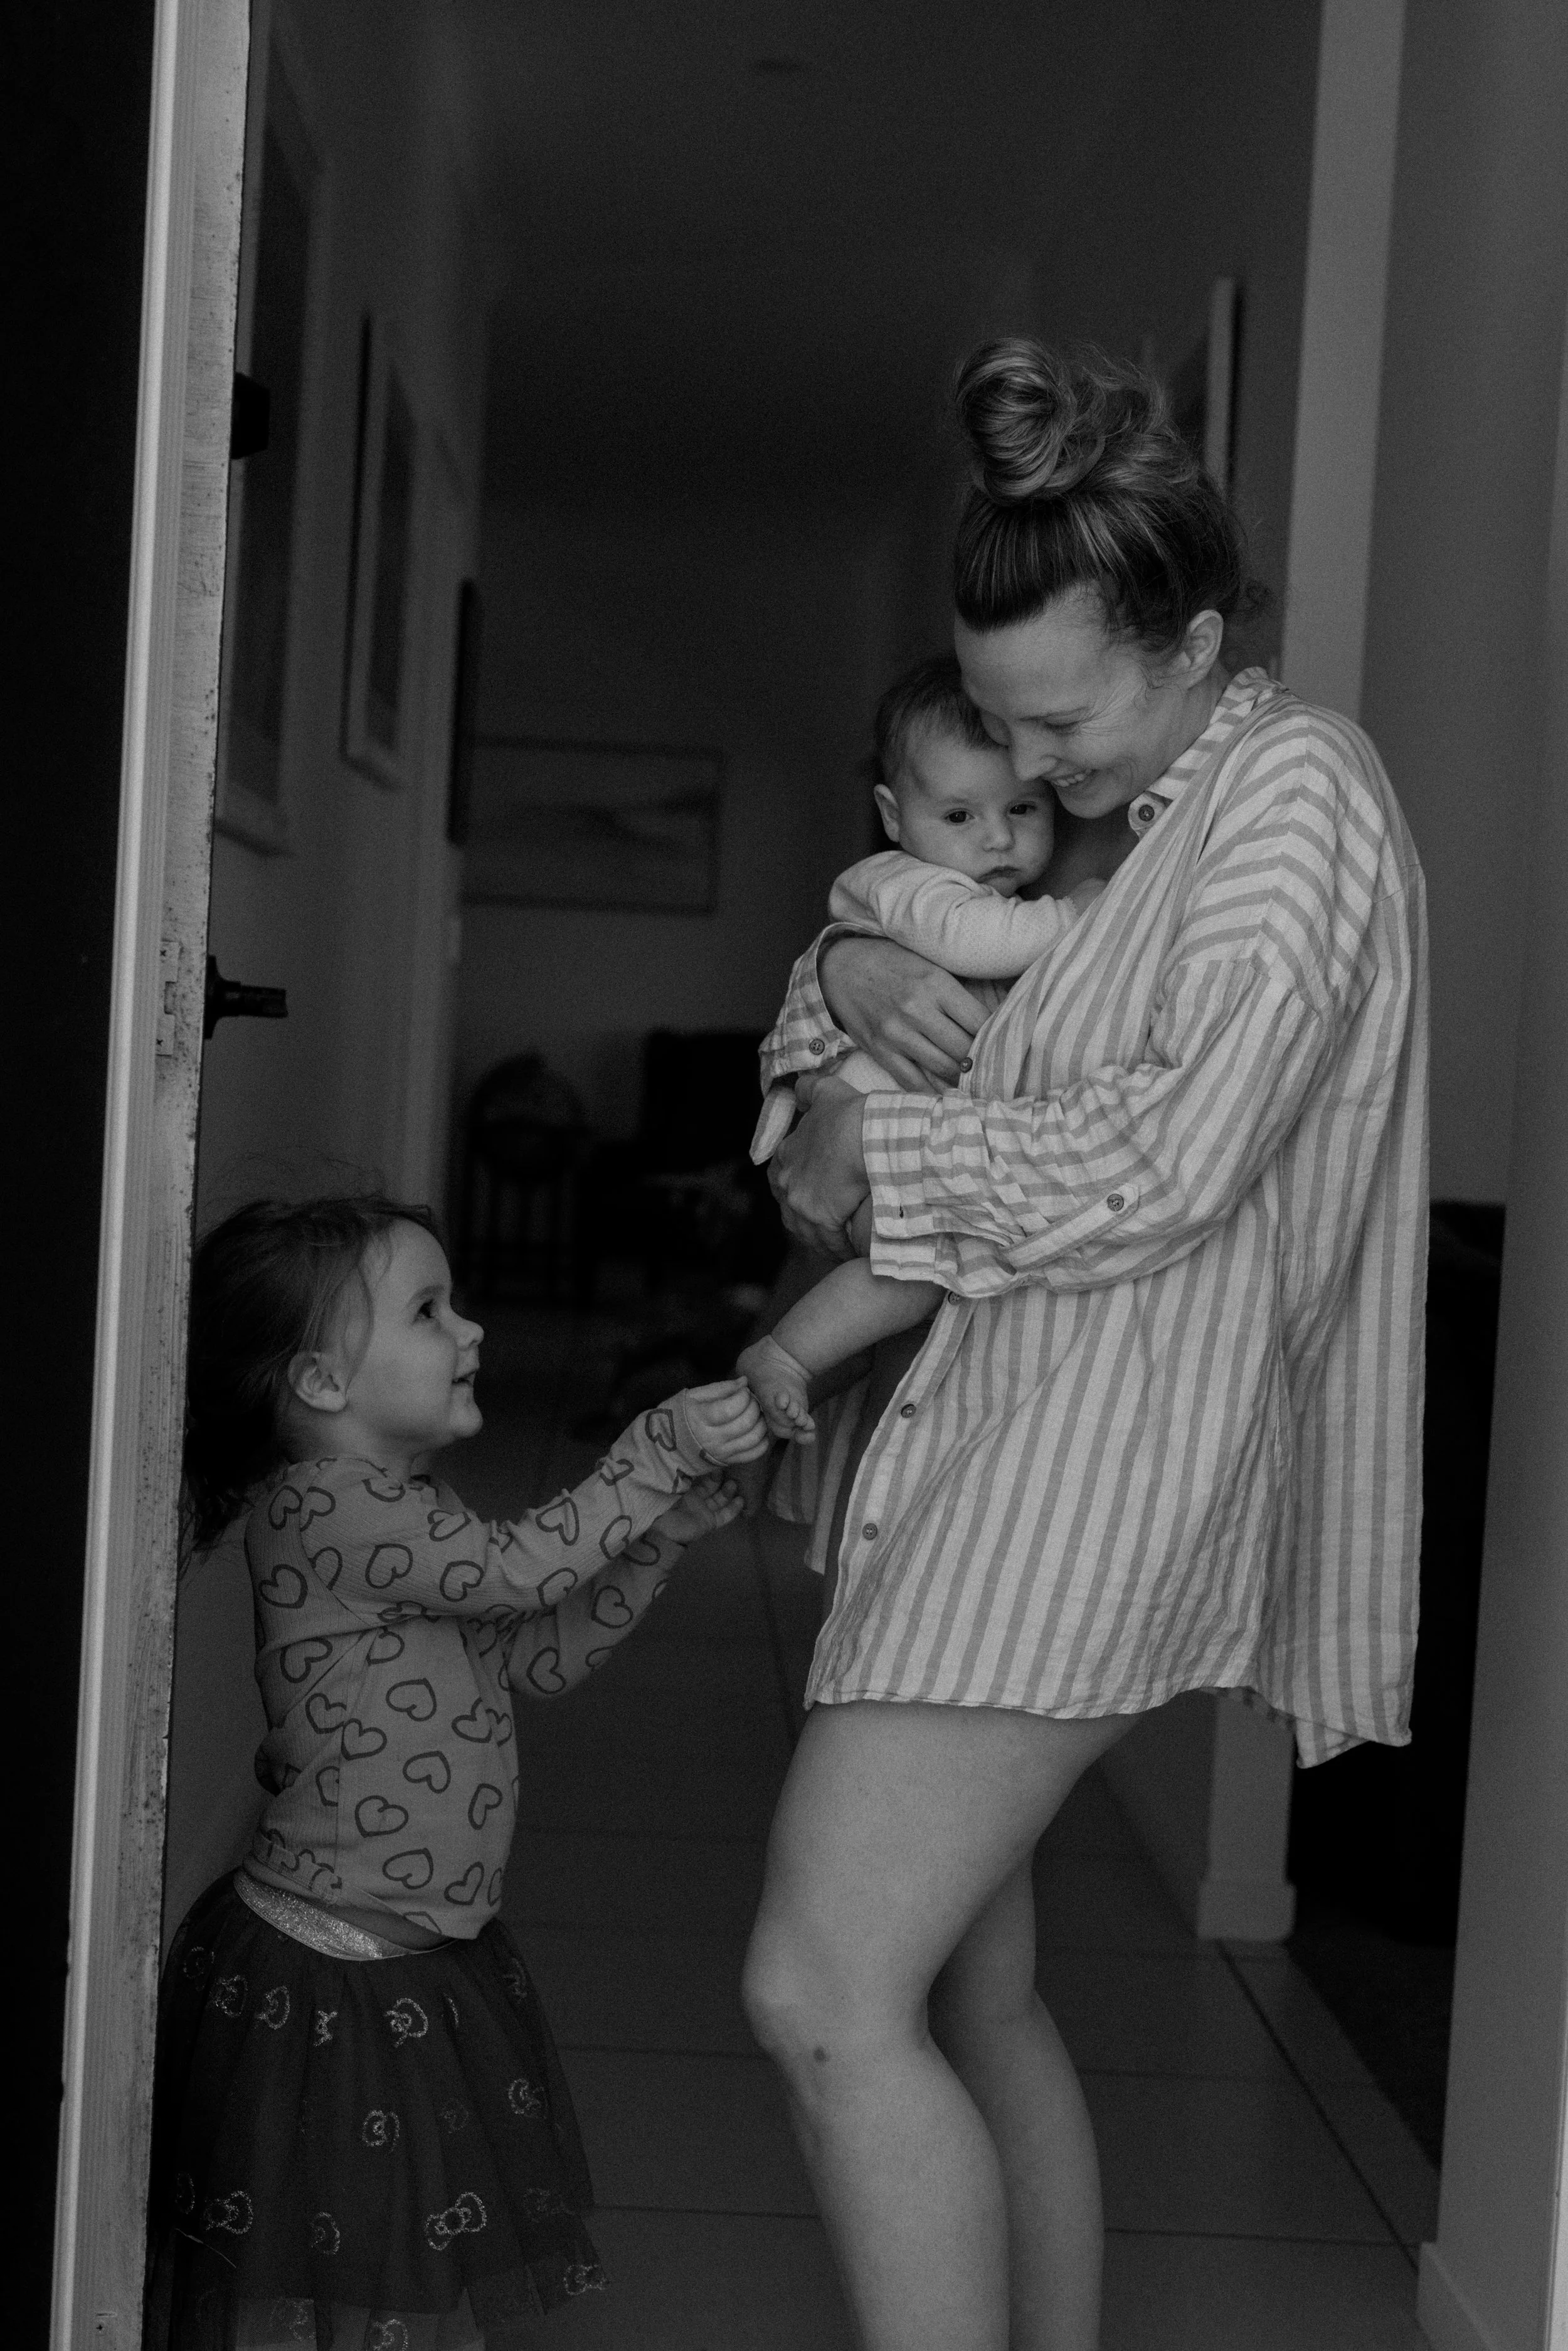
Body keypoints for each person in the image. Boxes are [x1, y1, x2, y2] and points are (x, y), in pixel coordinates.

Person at [740, 341, 1428, 2351]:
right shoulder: (1133, 829)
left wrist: (888, 1145)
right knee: (965, 1987)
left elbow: (1172, 1152)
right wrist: (854, 964)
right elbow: (866, 1065)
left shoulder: (1288, 793)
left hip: (1082, 1474)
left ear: (1192, 642)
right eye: (1000, 731)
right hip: (993, 1444)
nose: (1026, 774)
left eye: (1054, 721)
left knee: (816, 1987)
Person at [146, 1193, 768, 2351]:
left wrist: (661, 1536)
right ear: (322, 1384)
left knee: (388, 2262)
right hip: (332, 1972)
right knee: (335, 2263)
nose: (469, 1329)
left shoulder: (404, 1506)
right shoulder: (328, 1506)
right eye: (428, 1311)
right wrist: (657, 1447)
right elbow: (524, 1571)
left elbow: (535, 1653)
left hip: (412, 1958)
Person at [739, 653, 1099, 1441]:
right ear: (895, 814)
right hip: (867, 1135)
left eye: (1025, 809)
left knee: (900, 1290)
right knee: (931, 1263)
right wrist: (1077, 917)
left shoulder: (967, 878)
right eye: (960, 816)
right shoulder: (900, 881)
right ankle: (787, 1359)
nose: (999, 838)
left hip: (887, 1142)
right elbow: (969, 940)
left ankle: (790, 1378)